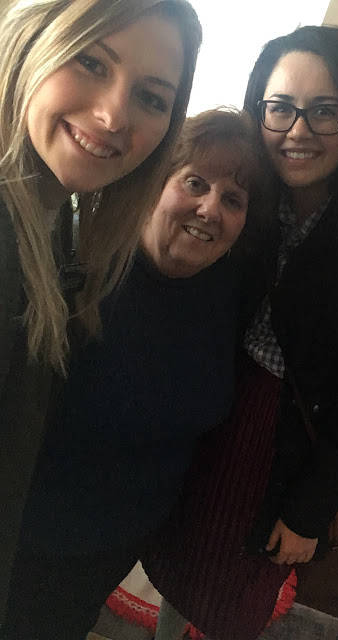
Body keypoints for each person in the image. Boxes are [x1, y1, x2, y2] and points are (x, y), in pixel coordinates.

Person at [141, 25, 338, 640]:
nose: (298, 131)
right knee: (173, 561)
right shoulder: (243, 198)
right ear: (260, 110)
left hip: (279, 447)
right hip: (203, 412)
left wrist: (309, 511)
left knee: (230, 596)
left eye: (324, 111)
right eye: (280, 107)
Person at [2, 107, 270, 640]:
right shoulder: (79, 262)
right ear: (157, 182)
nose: (210, 209)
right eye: (195, 182)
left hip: (122, 539)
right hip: (29, 536)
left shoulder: (229, 291)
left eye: (233, 199)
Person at [0, 0, 201, 630]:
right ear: (34, 42)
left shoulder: (56, 218)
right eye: (91, 62)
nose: (114, 116)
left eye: (151, 97)